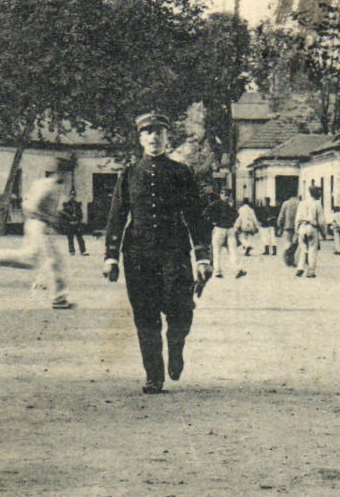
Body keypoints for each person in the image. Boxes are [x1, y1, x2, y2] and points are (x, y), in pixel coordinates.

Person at [103, 112, 212, 394]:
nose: (154, 137)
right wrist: (111, 255)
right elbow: (117, 216)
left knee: (182, 310)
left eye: (159, 132)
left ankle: (176, 347)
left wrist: (202, 256)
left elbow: (195, 216)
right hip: (138, 255)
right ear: (140, 139)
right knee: (145, 315)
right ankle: (154, 375)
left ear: (167, 138)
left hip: (175, 252)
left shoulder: (181, 173)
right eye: (148, 133)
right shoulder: (129, 174)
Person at [0, 162, 73, 309]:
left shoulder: (55, 186)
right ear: (59, 171)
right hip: (38, 225)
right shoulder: (46, 186)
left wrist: (57, 216)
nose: (66, 176)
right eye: (65, 172)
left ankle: (59, 299)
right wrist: (48, 218)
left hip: (43, 225)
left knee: (53, 261)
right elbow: (30, 206)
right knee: (33, 259)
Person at [205, 186, 243, 280]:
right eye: (225, 195)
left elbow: (236, 215)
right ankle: (218, 271)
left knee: (231, 251)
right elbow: (205, 213)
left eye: (228, 196)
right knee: (218, 251)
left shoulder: (225, 205)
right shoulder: (217, 204)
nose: (226, 197)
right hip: (221, 229)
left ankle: (237, 270)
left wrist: (213, 221)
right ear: (221, 194)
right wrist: (213, 222)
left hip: (227, 230)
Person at [294, 189, 324, 278]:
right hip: (312, 228)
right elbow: (321, 221)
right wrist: (324, 233)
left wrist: (297, 229)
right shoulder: (317, 204)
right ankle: (310, 272)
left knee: (303, 248)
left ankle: (300, 268)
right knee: (312, 249)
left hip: (302, 227)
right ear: (316, 194)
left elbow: (297, 217)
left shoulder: (302, 203)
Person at [277, 191, 299, 268]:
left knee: (288, 244)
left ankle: (287, 260)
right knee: (295, 244)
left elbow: (281, 216)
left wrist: (279, 225)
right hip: (297, 228)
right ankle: (293, 259)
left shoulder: (285, 204)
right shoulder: (300, 203)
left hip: (287, 227)